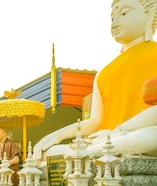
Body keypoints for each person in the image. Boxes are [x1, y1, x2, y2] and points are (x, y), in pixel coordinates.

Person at [34, 0, 157, 164]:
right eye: (112, 18)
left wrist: (118, 131)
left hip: (137, 136)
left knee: (150, 136)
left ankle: (87, 155)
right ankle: (90, 153)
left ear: (150, 13)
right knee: (48, 152)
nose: (116, 23)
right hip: (104, 140)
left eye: (125, 13)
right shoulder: (104, 73)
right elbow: (95, 121)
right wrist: (58, 135)